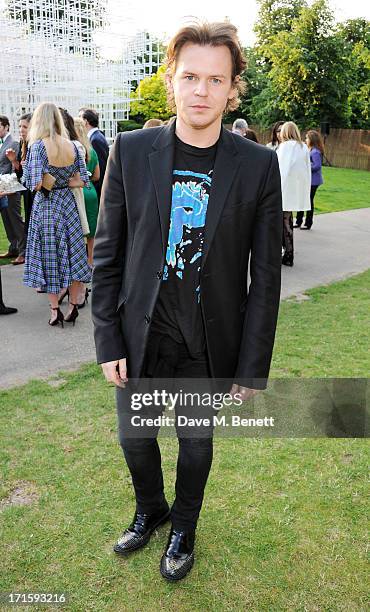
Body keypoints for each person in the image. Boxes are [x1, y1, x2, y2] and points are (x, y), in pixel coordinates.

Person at [92, 21, 282, 582]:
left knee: (196, 446)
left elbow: (265, 279)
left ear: (232, 89)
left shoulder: (257, 165)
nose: (201, 90)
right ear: (171, 78)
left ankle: (184, 528)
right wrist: (107, 339)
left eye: (215, 79)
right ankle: (151, 509)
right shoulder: (130, 151)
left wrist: (251, 367)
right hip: (140, 335)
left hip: (207, 341)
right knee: (136, 439)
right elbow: (108, 255)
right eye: (191, 76)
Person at [22, 102, 91, 327]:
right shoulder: (73, 145)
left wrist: (42, 178)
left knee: (50, 256)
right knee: (72, 256)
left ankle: (55, 311)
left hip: (47, 206)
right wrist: (66, 181)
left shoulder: (38, 147)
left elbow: (35, 184)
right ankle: (72, 306)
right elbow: (82, 180)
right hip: (68, 205)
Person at [276, 121, 311, 267]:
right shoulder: (303, 147)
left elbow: (281, 170)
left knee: (280, 223)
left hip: (284, 190)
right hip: (295, 190)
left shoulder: (285, 147)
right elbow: (306, 170)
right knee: (287, 221)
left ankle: (286, 253)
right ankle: (288, 253)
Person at [5, 113, 33, 264]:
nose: (21, 130)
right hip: (28, 191)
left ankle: (26, 253)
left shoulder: (35, 144)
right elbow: (21, 172)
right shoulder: (23, 143)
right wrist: (14, 161)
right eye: (20, 126)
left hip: (37, 192)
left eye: (25, 127)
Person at [74, 116, 100, 266]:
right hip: (90, 190)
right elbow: (97, 175)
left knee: (79, 230)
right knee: (92, 232)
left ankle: (80, 265)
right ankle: (92, 262)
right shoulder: (91, 151)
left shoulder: (72, 149)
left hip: (78, 190)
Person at [0, 115, 25, 261]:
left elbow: (15, 167)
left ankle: (23, 252)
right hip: (2, 188)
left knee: (15, 219)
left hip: (11, 187)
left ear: (6, 127)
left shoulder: (14, 143)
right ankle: (13, 248)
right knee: (6, 219)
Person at [295, 130, 324, 230]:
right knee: (302, 200)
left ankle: (308, 223)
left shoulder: (315, 152)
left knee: (308, 201)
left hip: (313, 181)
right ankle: (299, 221)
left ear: (312, 139)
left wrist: (305, 165)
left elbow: (317, 166)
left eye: (307, 138)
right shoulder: (309, 149)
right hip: (307, 180)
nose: (305, 140)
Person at [79, 108, 109, 202]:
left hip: (97, 191)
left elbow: (101, 167)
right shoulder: (96, 136)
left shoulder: (95, 140)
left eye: (80, 117)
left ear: (86, 121)